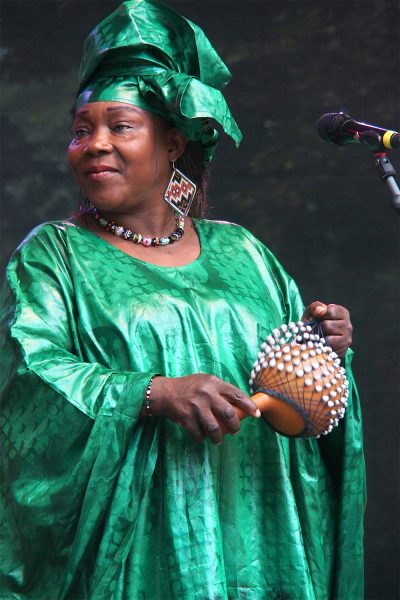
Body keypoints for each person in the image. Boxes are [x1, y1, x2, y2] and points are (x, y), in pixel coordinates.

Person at [0, 1, 365, 599]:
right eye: (80, 129)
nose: (93, 144)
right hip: (141, 543)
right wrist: (153, 393)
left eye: (119, 126)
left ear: (172, 143)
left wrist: (326, 348)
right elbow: (30, 377)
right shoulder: (54, 256)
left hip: (258, 523)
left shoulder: (243, 253)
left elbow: (297, 386)